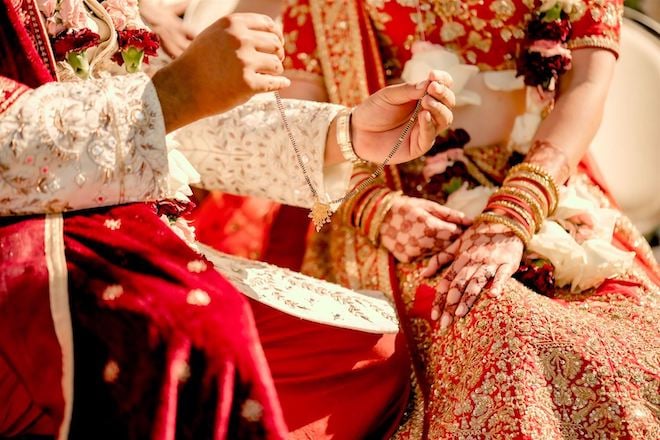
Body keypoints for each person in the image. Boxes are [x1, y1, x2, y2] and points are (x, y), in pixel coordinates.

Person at [196, 0, 658, 438]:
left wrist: (513, 212)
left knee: (635, 339)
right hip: (388, 200)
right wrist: (373, 208)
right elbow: (297, 122)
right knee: (493, 322)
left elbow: (587, 86)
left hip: (544, 182)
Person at [0, 0, 455, 437]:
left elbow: (170, 120)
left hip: (124, 224)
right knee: (202, 340)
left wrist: (346, 135)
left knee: (366, 353)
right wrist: (175, 92)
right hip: (32, 249)